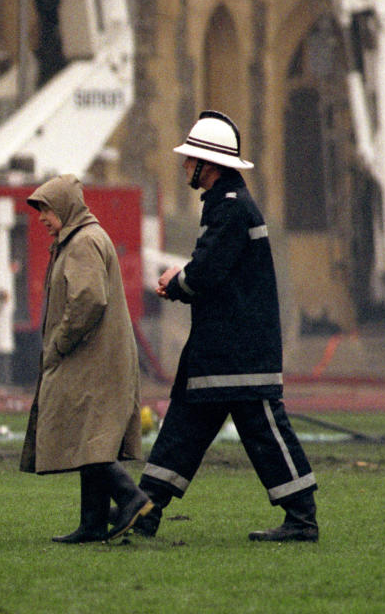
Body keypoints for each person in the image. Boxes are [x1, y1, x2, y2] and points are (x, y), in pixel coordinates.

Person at [133, 111, 319, 542]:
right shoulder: (228, 206)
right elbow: (215, 266)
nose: (184, 166)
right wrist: (185, 277)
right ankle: (144, 509)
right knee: (183, 425)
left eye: (190, 160)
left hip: (240, 351)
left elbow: (208, 271)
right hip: (221, 349)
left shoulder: (232, 209)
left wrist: (177, 282)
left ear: (208, 166)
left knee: (264, 432)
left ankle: (303, 518)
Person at [19, 174, 153, 543]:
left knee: (88, 438)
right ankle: (93, 524)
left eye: (46, 208)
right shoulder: (84, 238)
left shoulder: (81, 244)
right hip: (99, 356)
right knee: (90, 437)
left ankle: (132, 499)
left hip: (92, 357)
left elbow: (88, 300)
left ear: (64, 206)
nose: (42, 217)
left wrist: (58, 344)